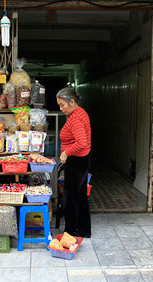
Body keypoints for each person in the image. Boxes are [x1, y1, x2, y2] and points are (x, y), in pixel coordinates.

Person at [57, 88, 92, 238]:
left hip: (77, 162)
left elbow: (82, 143)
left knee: (71, 199)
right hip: (82, 161)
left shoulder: (76, 118)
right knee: (81, 197)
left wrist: (66, 152)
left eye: (62, 105)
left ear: (72, 101)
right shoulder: (80, 112)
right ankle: (83, 230)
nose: (61, 108)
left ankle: (71, 232)